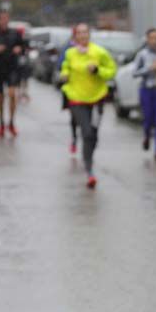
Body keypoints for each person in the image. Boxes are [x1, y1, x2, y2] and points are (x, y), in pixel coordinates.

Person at [59, 23, 117, 188]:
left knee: (94, 134)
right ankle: (89, 171)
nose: (83, 36)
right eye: (79, 33)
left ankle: (89, 154)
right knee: (86, 132)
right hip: (77, 98)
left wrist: (98, 70)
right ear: (75, 36)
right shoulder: (70, 53)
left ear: (89, 35)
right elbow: (65, 69)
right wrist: (64, 75)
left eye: (85, 32)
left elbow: (112, 71)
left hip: (97, 98)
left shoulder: (99, 52)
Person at [133, 28, 156, 162]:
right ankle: (147, 135)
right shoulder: (142, 55)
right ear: (147, 39)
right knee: (148, 119)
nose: (154, 40)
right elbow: (134, 73)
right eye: (152, 38)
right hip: (146, 90)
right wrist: (148, 69)